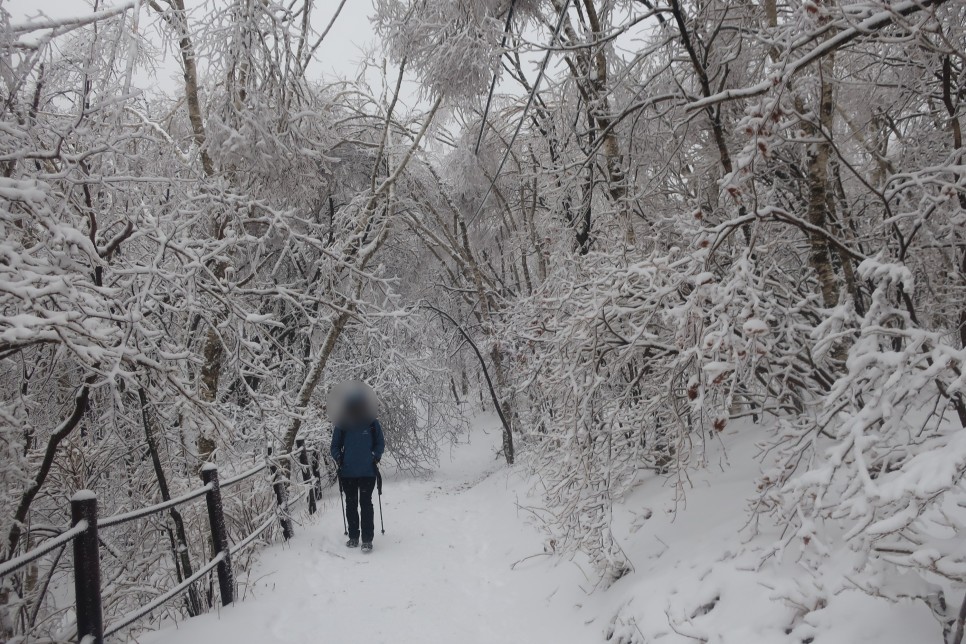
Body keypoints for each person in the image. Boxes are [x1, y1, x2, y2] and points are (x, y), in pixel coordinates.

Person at [329, 391, 385, 552]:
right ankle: (354, 536)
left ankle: (367, 539)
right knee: (351, 504)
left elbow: (380, 443)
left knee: (365, 503)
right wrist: (339, 458)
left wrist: (375, 457)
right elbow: (334, 446)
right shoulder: (342, 424)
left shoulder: (372, 423)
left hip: (368, 471)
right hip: (348, 472)